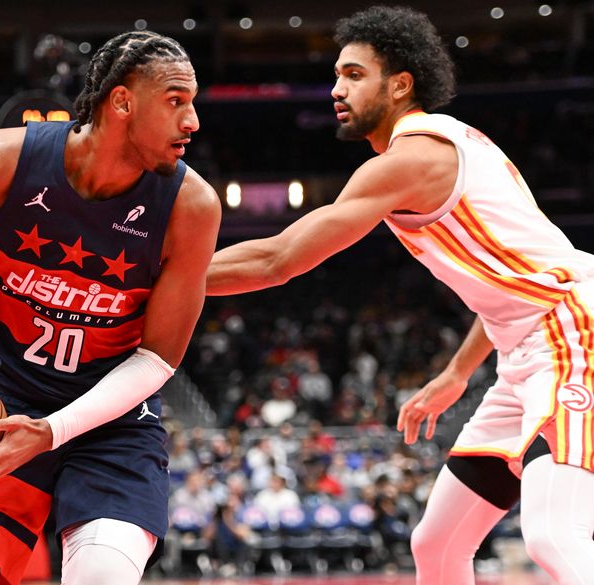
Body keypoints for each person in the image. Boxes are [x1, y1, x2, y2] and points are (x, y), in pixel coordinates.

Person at [206, 6, 594, 585]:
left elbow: (277, 260)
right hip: (526, 348)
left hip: (572, 333)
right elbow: (511, 287)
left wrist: (149, 278)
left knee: (553, 536)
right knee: (436, 545)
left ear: (400, 85)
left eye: (354, 74)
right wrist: (457, 373)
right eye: (336, 75)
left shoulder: (411, 159)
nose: (336, 89)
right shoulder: (456, 140)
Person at [0, 30, 220, 585]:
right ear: (122, 102)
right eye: (176, 101)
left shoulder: (191, 206)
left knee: (102, 575)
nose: (193, 121)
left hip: (111, 421)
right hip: (0, 401)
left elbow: (158, 359)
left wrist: (51, 430)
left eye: (193, 102)